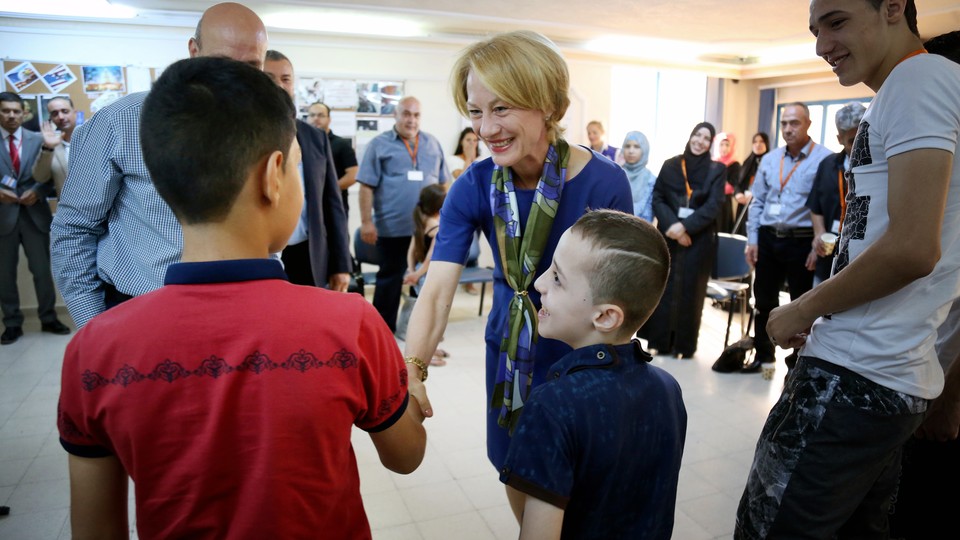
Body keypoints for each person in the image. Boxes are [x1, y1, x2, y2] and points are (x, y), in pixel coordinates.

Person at [57, 56, 426, 540]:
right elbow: (406, 456)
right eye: (296, 166)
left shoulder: (93, 348)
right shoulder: (350, 324)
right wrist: (411, 386)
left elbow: (95, 529)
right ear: (274, 175)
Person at [736, 1, 960, 538]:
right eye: (815, 30)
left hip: (855, 372)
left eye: (836, 22)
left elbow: (911, 248)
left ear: (892, 9)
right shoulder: (917, 87)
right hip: (883, 369)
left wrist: (803, 308)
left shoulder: (918, 79)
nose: (821, 45)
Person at [402, 30, 633, 474]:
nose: (486, 128)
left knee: (582, 479)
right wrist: (413, 367)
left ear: (547, 103)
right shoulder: (474, 184)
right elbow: (437, 292)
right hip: (510, 353)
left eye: (501, 108)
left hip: (583, 359)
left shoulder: (605, 184)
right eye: (476, 111)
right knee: (517, 469)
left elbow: (621, 295)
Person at [51, 2, 270, 328]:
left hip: (240, 314)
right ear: (193, 51)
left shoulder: (266, 127)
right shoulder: (121, 123)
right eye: (221, 63)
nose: (235, 81)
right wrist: (94, 328)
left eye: (251, 66)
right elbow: (73, 230)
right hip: (140, 311)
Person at [501, 209, 686, 539]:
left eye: (557, 278)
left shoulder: (553, 407)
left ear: (605, 317)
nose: (540, 283)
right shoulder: (668, 389)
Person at [742, 102, 831, 373]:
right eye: (784, 124)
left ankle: (796, 364)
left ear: (808, 125)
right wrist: (752, 239)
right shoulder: (770, 159)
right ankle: (763, 354)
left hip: (802, 242)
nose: (788, 129)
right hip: (769, 239)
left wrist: (819, 245)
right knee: (764, 300)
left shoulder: (824, 160)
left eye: (795, 123)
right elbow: (757, 203)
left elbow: (827, 208)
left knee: (801, 303)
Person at [357, 96, 450, 333]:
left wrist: (446, 219)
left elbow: (444, 185)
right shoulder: (379, 144)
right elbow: (366, 186)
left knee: (425, 282)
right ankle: (381, 332)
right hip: (392, 228)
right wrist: (367, 222)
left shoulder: (432, 143)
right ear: (396, 115)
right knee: (390, 280)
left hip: (427, 230)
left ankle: (416, 331)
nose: (411, 120)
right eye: (406, 114)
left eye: (416, 115)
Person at [263, 50, 351, 291]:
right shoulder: (243, 135)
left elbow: (333, 203)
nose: (279, 86)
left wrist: (341, 263)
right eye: (269, 78)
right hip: (262, 255)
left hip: (309, 254)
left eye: (285, 78)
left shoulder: (314, 138)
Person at [642, 122, 726, 358]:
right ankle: (660, 342)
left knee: (691, 291)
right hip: (669, 237)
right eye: (697, 135)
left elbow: (713, 205)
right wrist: (673, 227)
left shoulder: (716, 170)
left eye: (706, 138)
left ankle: (684, 346)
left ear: (711, 143)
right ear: (690, 136)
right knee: (664, 288)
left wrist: (685, 227)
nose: (700, 141)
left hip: (698, 239)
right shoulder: (670, 165)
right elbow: (658, 197)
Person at [0, 91, 70, 345]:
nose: (11, 115)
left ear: (24, 113)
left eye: (16, 111)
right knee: (4, 275)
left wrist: (37, 192)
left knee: (42, 271)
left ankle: (49, 317)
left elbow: (49, 177)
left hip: (35, 215)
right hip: (3, 219)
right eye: (5, 110)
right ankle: (12, 323)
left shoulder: (40, 139)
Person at [807, 102, 866, 285]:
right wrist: (819, 233)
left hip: (863, 254)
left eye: (862, 138)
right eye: (851, 141)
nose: (858, 146)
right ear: (839, 139)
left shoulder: (881, 167)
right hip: (829, 253)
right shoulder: (827, 165)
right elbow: (815, 205)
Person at [403, 183, 449, 366]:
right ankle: (424, 355)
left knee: (425, 314)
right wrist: (419, 274)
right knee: (431, 316)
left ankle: (430, 349)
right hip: (429, 275)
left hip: (420, 273)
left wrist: (412, 271)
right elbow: (431, 258)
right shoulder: (436, 226)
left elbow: (411, 250)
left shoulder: (420, 221)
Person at [307, 101, 359, 221]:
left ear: (329, 119)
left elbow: (353, 175)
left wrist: (329, 189)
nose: (316, 118)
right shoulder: (300, 144)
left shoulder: (341, 144)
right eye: (312, 115)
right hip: (308, 205)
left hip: (334, 206)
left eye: (321, 115)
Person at [448, 127, 483, 293]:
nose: (472, 143)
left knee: (475, 246)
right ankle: (454, 280)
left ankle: (470, 281)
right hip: (461, 211)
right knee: (462, 245)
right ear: (461, 142)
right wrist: (469, 157)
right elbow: (463, 178)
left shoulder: (483, 160)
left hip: (480, 208)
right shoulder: (453, 159)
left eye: (475, 140)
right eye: (468, 140)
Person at [32, 96, 77, 196]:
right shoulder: (50, 147)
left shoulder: (95, 140)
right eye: (55, 114)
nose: (60, 117)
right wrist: (48, 148)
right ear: (51, 118)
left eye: (65, 111)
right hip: (69, 209)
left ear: (75, 112)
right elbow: (40, 177)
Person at [733, 132, 770, 235]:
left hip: (761, 207)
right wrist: (738, 194)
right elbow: (737, 182)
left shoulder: (771, 163)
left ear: (767, 143)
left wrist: (756, 195)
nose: (758, 144)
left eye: (761, 141)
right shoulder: (747, 162)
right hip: (744, 205)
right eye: (755, 142)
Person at [621, 130, 657, 223]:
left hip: (641, 231)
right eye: (627, 146)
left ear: (644, 150)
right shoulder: (616, 175)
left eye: (636, 147)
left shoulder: (651, 180)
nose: (631, 151)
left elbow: (649, 214)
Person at [714, 132, 742, 233]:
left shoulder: (734, 164)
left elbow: (732, 186)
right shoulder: (713, 162)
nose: (724, 148)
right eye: (721, 145)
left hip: (724, 202)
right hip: (712, 201)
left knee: (723, 229)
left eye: (727, 145)